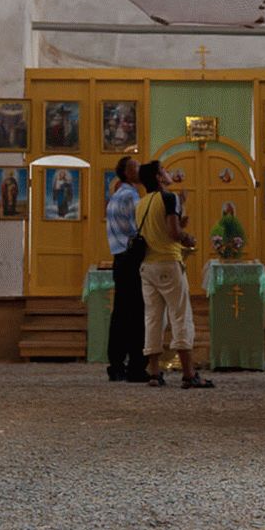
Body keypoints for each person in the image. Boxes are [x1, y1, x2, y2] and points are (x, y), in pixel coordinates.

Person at [136, 160, 213, 389]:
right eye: (164, 171)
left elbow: (157, 228)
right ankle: (189, 374)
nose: (168, 174)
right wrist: (186, 237)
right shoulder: (169, 198)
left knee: (152, 318)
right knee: (180, 315)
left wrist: (181, 213)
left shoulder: (141, 203)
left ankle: (154, 373)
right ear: (159, 178)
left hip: (146, 265)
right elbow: (172, 232)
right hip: (168, 262)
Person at [104, 156, 147, 383]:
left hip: (119, 258)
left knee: (120, 312)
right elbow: (137, 228)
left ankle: (117, 363)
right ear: (128, 173)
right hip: (131, 258)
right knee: (135, 313)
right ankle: (135, 365)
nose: (139, 170)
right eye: (136, 167)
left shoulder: (115, 195)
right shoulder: (131, 196)